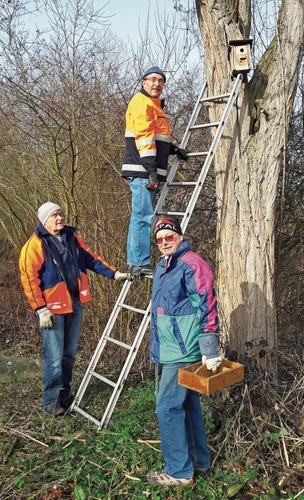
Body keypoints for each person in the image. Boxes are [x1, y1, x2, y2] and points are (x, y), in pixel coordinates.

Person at [19, 201, 128, 416]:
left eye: (61, 214)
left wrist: (114, 273)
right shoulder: (35, 245)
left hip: (73, 303)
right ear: (44, 220)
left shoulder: (71, 237)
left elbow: (91, 258)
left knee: (68, 355)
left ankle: (64, 396)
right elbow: (28, 279)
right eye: (54, 216)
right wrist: (41, 309)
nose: (59, 218)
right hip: (51, 310)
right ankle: (50, 404)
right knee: (54, 357)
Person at [146, 216, 222, 486]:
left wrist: (210, 348)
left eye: (170, 236)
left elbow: (207, 305)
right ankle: (199, 461)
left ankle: (179, 472)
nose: (165, 242)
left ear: (179, 236)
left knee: (166, 407)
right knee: (188, 405)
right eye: (160, 239)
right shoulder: (164, 264)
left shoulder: (192, 264)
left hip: (184, 349)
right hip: (171, 347)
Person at [121, 65, 188, 277]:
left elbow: (158, 139)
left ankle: (136, 261)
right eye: (152, 79)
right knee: (143, 217)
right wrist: (150, 171)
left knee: (141, 216)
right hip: (142, 170)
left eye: (160, 80)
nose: (156, 84)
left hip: (147, 169)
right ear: (143, 82)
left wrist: (174, 150)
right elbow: (144, 139)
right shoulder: (142, 104)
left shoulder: (155, 106)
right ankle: (138, 262)